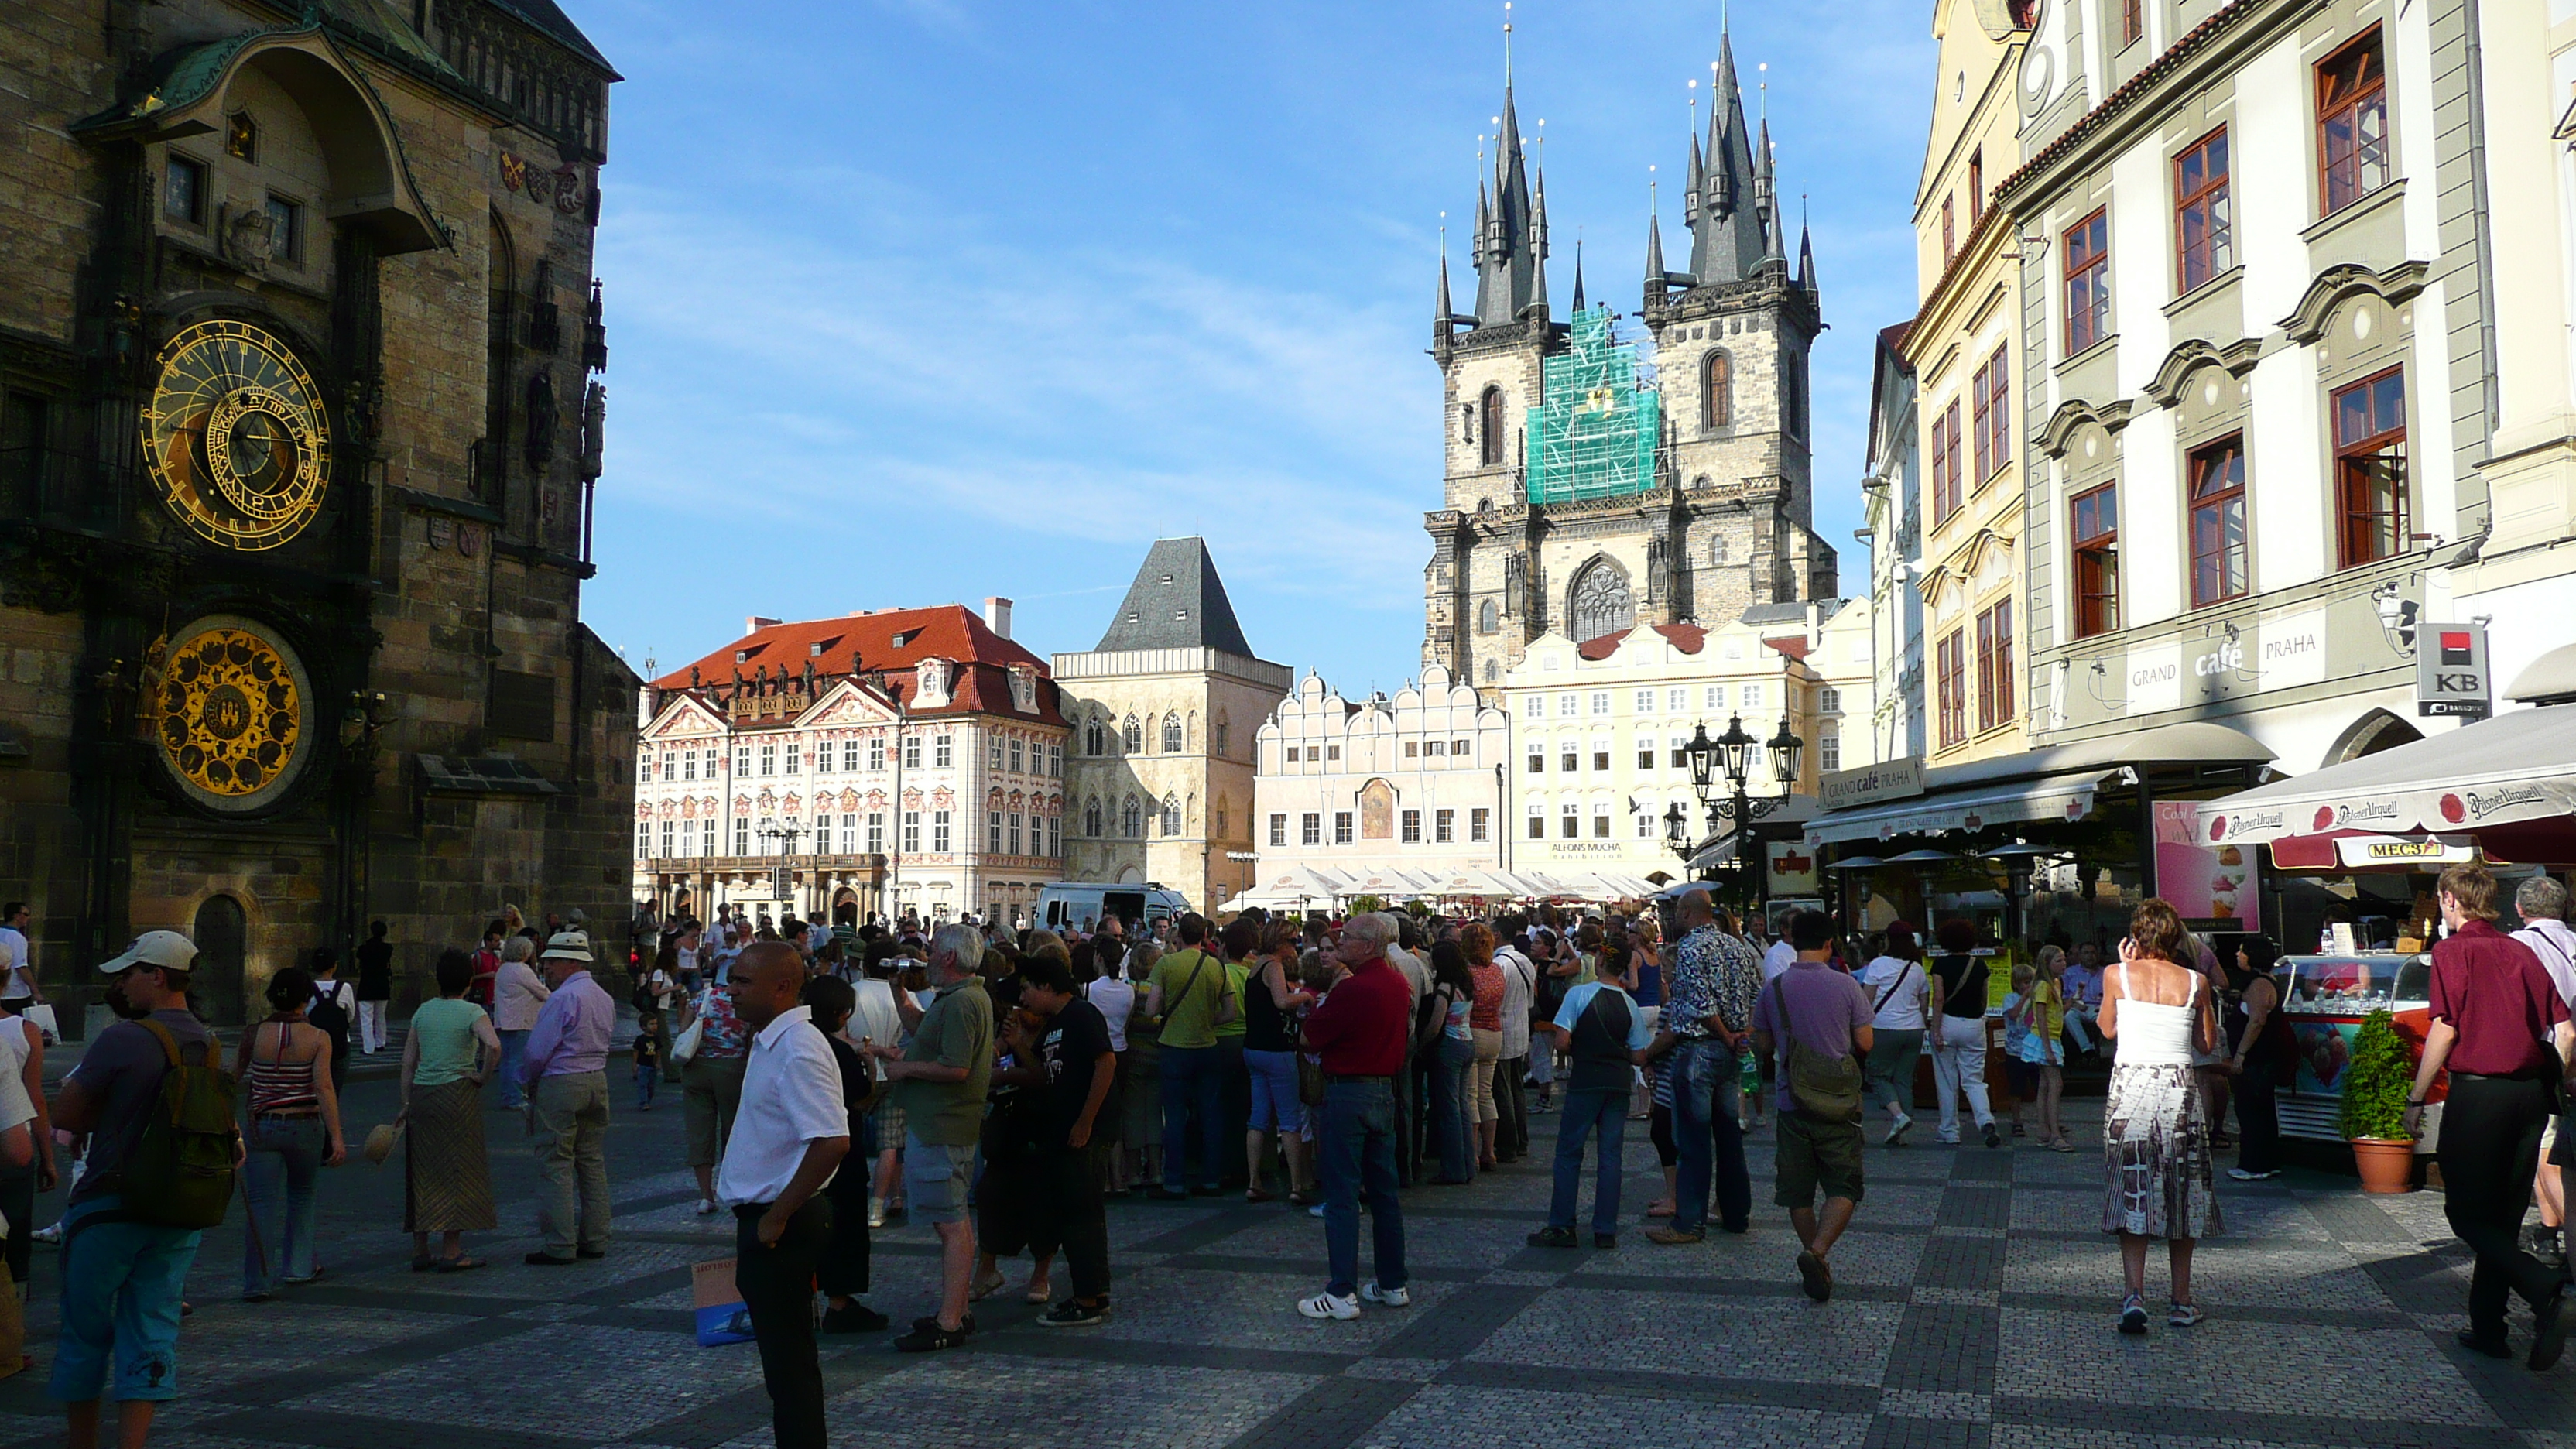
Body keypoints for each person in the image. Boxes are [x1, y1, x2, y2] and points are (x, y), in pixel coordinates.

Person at [48, 931, 229, 1449]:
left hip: (109, 1205)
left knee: (85, 1335)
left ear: (158, 976)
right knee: (150, 1331)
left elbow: (66, 1112)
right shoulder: (210, 1044)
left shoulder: (124, 1038)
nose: (120, 983)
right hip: (178, 1210)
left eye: (128, 973)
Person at [2403, 865, 2572, 1370]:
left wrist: (2416, 1099)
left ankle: (2547, 1293)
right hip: (2529, 1097)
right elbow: (2565, 1031)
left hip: (2480, 1095)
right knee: (2501, 1217)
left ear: (2450, 900)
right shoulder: (2520, 950)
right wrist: (2557, 1085)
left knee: (2467, 1215)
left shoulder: (2454, 952)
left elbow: (2446, 1028)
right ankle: (2489, 1328)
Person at [717, 942, 849, 1449]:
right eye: (732, 980)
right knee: (783, 1367)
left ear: (781, 986)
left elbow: (832, 1139)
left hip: (783, 1225)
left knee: (790, 1367)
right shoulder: (773, 1040)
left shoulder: (797, 1047)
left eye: (743, 982)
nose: (731, 991)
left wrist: (776, 1216)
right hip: (770, 1219)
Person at [2099, 899, 2224, 1335]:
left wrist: (2123, 967)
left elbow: (2107, 1029)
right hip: (2178, 1090)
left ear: (2136, 935)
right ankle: (2181, 1300)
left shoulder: (2117, 975)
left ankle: (2134, 1294)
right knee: (2183, 1191)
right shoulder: (2196, 981)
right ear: (2176, 938)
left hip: (2130, 1089)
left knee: (2133, 1188)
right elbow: (2207, 1043)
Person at [868, 923, 993, 1353]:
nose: (927, 956)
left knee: (951, 1223)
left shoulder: (962, 1003)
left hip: (944, 1125)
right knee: (950, 1221)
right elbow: (923, 1029)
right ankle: (955, 1310)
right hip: (938, 1124)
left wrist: (904, 1069)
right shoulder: (958, 998)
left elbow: (956, 1068)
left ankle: (950, 1320)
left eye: (934, 950)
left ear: (950, 959)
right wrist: (899, 991)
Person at [1753, 910, 1875, 1302]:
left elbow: (1764, 1047)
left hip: (1793, 1102)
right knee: (1844, 1185)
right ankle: (1818, 1252)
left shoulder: (1772, 989)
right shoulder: (1847, 986)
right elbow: (1866, 1043)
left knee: (1798, 1193)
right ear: (1829, 943)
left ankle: (1814, 1256)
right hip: (1839, 1104)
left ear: (1791, 942)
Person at [1296, 913, 1410, 1321]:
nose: (1340, 943)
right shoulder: (1398, 983)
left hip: (1349, 1092)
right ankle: (1392, 1282)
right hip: (1385, 1091)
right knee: (1384, 1193)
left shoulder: (1353, 989)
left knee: (1342, 1195)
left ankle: (1341, 1292)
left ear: (1367, 946)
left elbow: (1311, 1035)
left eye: (1347, 938)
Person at [1526, 942, 1657, 1249]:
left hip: (1585, 1080)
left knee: (1570, 1152)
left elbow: (1561, 1043)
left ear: (1599, 960)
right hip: (1617, 1084)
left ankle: (1562, 1225)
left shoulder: (1579, 995)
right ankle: (1605, 1229)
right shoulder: (1629, 1004)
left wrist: (1584, 1048)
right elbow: (1639, 1055)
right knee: (1610, 1157)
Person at [1649, 889, 1757, 1245]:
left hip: (1698, 1050)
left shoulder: (1692, 950)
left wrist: (1726, 1034)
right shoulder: (1737, 947)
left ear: (1685, 912)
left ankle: (1689, 1223)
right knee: (1729, 1137)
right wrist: (1742, 1034)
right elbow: (1757, 995)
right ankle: (1736, 1213)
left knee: (1694, 1141)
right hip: (1730, 1054)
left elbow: (1700, 1002)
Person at [1016, 958, 1117, 1324]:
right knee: (1075, 1213)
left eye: (1028, 988)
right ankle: (1091, 1292)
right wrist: (1017, 1042)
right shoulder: (1053, 1025)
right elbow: (1043, 1072)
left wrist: (1086, 1121)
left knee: (1082, 1216)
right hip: (1064, 1130)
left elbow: (1106, 1062)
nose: (1023, 996)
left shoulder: (1081, 1015)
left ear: (1047, 987)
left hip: (1085, 1133)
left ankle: (1089, 1298)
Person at [235, 966, 344, 1300]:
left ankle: (257, 1280)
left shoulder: (254, 1034)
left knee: (261, 1202)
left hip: (263, 1126)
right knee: (302, 1194)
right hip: (305, 1126)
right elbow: (323, 1088)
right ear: (306, 999)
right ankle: (298, 1267)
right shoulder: (318, 1038)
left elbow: (233, 1077)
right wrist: (336, 1136)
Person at [518, 932, 615, 1266]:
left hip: (562, 1081)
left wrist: (526, 1081)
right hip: (597, 1080)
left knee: (556, 1162)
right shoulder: (603, 996)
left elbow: (536, 1052)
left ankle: (560, 1244)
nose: (547, 968)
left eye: (551, 962)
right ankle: (596, 1238)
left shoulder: (563, 999)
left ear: (570, 963)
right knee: (591, 1161)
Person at [399, 948, 500, 1272]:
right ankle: (452, 1249)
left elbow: (407, 1062)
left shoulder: (422, 1011)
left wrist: (406, 1102)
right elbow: (494, 1045)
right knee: (457, 1170)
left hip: (423, 1094)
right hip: (458, 1094)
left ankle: (420, 1247)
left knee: (422, 1169)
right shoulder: (471, 1012)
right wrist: (483, 1076)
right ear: (469, 981)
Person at [800, 976, 887, 1334]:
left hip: (803, 1148)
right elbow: (862, 1097)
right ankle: (840, 1301)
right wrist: (869, 1064)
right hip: (839, 1148)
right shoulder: (837, 1053)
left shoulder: (801, 1043)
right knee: (844, 1226)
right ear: (842, 1014)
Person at [2509, 876, 2576, 1270]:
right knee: (2554, 1148)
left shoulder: (2518, 946)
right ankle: (2549, 1233)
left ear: (2520, 909)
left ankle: (2565, 1236)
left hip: (2552, 1055)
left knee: (2548, 1150)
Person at [1145, 914, 1235, 1199]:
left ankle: (1174, 1180)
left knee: (1174, 1117)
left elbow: (1151, 1009)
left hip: (1173, 1047)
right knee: (1211, 1115)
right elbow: (1231, 1012)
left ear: (1178, 935)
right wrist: (1208, 1021)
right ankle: (1210, 1178)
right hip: (1207, 1046)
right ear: (1206, 935)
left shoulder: (1166, 964)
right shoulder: (1217, 966)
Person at [1242, 919, 1317, 1203]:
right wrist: (1305, 998)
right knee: (1289, 1118)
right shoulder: (1272, 965)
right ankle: (1297, 1185)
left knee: (1258, 1117)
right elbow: (1282, 1001)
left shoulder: (1256, 965)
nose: (1295, 947)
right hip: (1276, 1050)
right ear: (1282, 941)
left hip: (1254, 1049)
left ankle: (1253, 1181)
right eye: (1292, 941)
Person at [680, 960, 752, 1216]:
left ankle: (705, 1196)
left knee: (700, 1132)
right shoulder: (744, 1001)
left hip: (697, 1068)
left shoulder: (702, 996)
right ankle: (734, 1189)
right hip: (732, 1069)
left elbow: (684, 1029)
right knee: (734, 1130)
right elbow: (751, 1037)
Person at [2221, 937, 2291, 1181]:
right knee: (2261, 1110)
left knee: (2251, 1110)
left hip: (2257, 1059)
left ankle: (2254, 1164)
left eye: (2242, 951)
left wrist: (2240, 1053)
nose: (2238, 955)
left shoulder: (2260, 985)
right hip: (2263, 1058)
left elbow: (2257, 1020)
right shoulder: (2261, 982)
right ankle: (2266, 1160)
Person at [1928, 919, 1999, 1148]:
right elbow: (1984, 999)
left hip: (1947, 1022)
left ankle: (1949, 1131)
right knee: (1974, 1080)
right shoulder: (1979, 966)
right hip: (1974, 1025)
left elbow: (1938, 997)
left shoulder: (1940, 965)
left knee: (1947, 1080)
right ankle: (1985, 1120)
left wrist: (1936, 1029)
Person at [1859, 923, 1930, 1147]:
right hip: (1914, 1030)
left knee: (1877, 1074)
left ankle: (1899, 1116)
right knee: (1904, 1078)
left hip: (1885, 1028)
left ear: (1889, 940)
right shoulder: (1917, 968)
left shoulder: (1878, 965)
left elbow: (1866, 999)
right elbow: (1924, 1002)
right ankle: (1902, 1127)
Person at [1462, 924, 1507, 1170]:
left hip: (1474, 1031)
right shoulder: (1496, 970)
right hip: (1495, 1033)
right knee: (1487, 1094)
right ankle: (1489, 1151)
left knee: (1471, 1096)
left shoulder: (1468, 972)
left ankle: (1472, 1154)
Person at [491, 935, 550, 1109]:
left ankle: (508, 1094)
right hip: (521, 1019)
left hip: (505, 1019)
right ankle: (513, 1097)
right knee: (516, 1061)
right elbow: (541, 992)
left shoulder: (503, 969)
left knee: (507, 1060)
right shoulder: (521, 970)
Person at [305, 949, 355, 1094]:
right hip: (340, 1042)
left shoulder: (308, 988)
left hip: (313, 1042)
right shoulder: (345, 988)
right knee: (334, 1089)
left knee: (314, 1087)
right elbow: (350, 1016)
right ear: (334, 966)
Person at [354, 920, 393, 1056]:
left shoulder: (363, 949)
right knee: (380, 1016)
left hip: (367, 985)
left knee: (366, 1018)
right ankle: (380, 1042)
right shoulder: (388, 948)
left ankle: (368, 1047)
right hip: (382, 985)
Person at [0, 902, 39, 1016]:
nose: (28, 918)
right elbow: (21, 967)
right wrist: (36, 991)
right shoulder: (16, 938)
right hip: (16, 993)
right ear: (16, 916)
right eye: (26, 914)